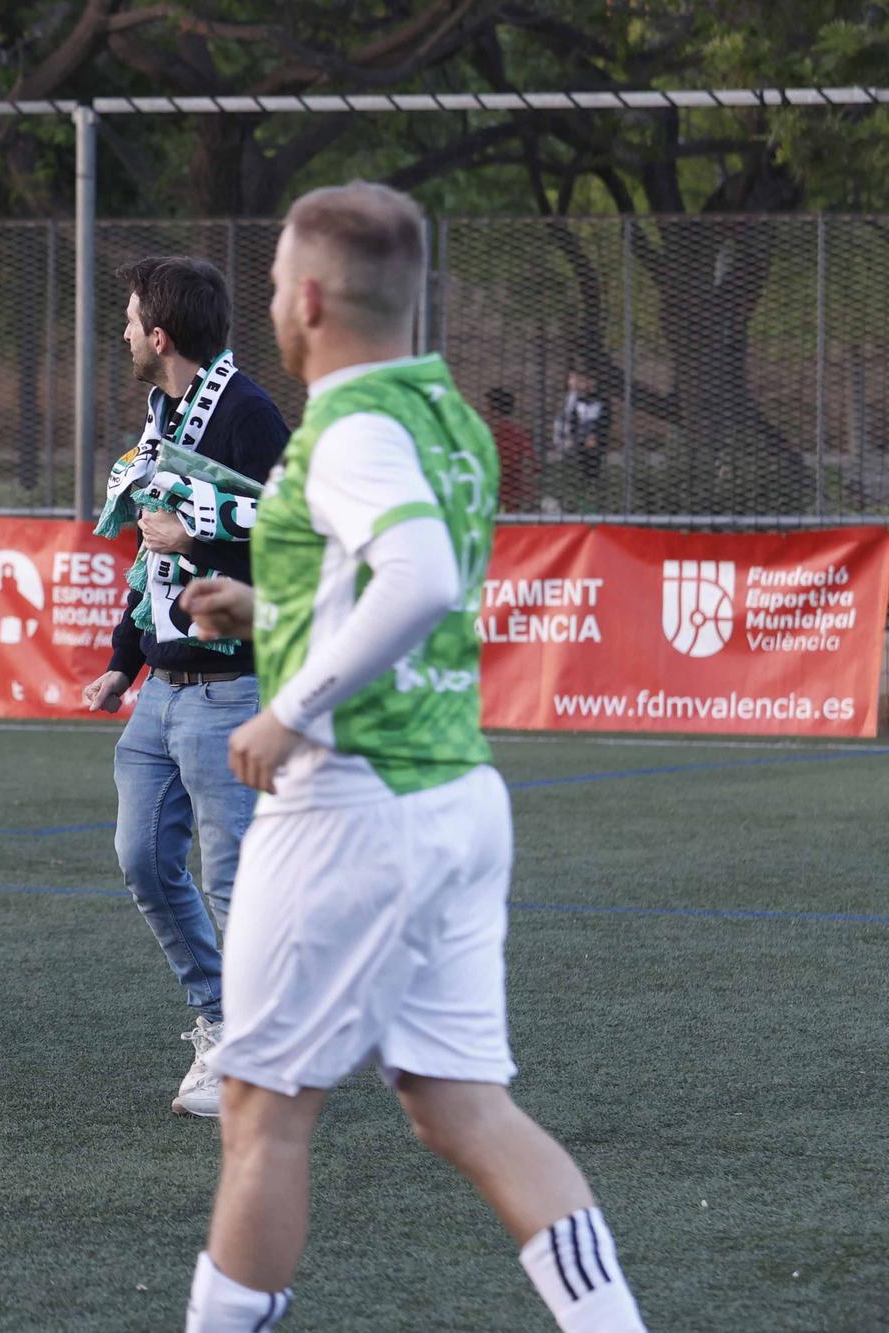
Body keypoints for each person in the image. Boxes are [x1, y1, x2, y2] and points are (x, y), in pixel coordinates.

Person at [176, 183, 646, 1330]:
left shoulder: (348, 423)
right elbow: (392, 580)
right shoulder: (441, 411)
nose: (274, 305)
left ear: (313, 297)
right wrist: (270, 608)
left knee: (262, 1111)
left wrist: (294, 707)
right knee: (457, 1106)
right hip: (451, 796)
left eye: (280, 284)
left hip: (348, 802)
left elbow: (422, 576)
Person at [79, 257, 289, 1118]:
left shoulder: (249, 413)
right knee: (141, 857)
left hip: (228, 690)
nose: (123, 334)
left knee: (235, 883)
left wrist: (196, 533)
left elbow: (294, 537)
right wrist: (124, 660)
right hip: (160, 694)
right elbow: (149, 553)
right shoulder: (164, 410)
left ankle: (257, 1057)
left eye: (129, 322)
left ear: (159, 337)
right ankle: (219, 1019)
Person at [552, 365, 610, 484]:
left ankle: (591, 479)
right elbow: (566, 418)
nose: (578, 382)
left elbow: (602, 421)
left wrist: (593, 435)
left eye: (581, 379)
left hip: (589, 442)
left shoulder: (600, 401)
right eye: (573, 379)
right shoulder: (570, 400)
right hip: (570, 440)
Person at [485, 386, 539, 512]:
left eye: (488, 408)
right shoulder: (520, 432)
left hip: (499, 496)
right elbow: (531, 464)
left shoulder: (492, 433)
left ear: (495, 411)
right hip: (514, 496)